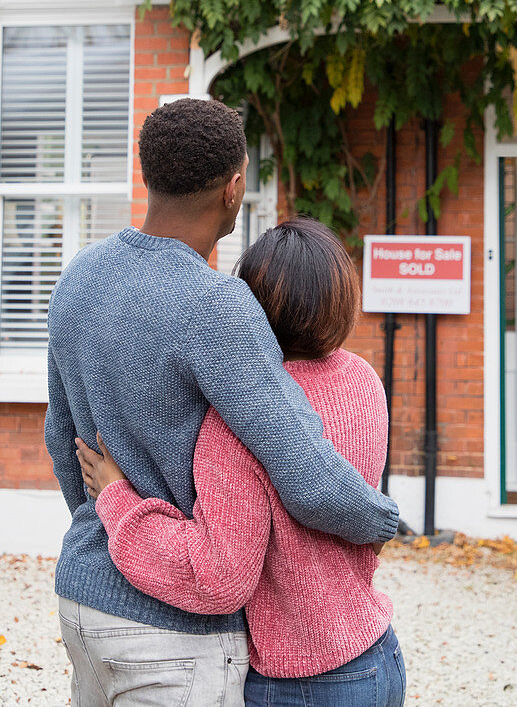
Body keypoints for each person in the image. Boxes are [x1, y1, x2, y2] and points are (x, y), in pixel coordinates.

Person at [45, 99, 399, 706]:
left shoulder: (79, 275)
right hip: (173, 628)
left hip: (83, 596)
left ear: (149, 176)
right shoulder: (218, 306)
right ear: (234, 187)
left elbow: (60, 436)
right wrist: (383, 520)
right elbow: (306, 477)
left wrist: (104, 512)